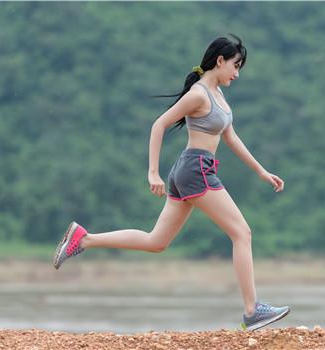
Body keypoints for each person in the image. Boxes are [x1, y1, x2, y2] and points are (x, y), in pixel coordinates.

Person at [53, 33, 290, 331]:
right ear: (220, 61)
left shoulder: (217, 95)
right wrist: (152, 172)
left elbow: (230, 136)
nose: (237, 73)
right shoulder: (199, 94)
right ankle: (252, 311)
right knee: (242, 233)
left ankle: (84, 239)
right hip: (196, 171)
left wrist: (260, 171)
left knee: (156, 242)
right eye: (235, 65)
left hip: (189, 171)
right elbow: (159, 124)